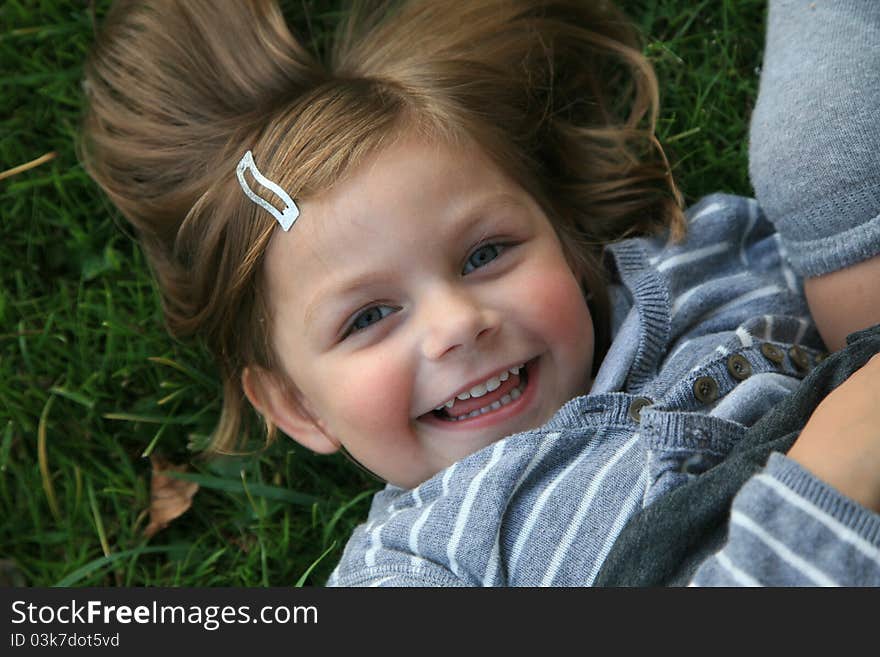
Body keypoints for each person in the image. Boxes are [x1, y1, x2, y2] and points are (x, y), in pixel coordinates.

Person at [79, 0, 880, 586]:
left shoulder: (695, 262)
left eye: (486, 252)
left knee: (816, 149)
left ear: (563, 236)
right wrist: (826, 495)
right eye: (368, 317)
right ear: (296, 405)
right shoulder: (417, 565)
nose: (458, 323)